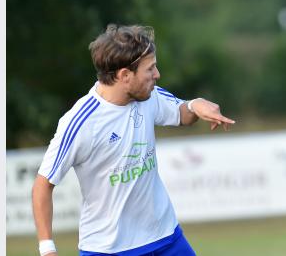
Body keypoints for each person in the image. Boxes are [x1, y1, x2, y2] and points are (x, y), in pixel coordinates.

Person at [31, 24, 236, 256]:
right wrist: (47, 249)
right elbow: (42, 186)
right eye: (150, 69)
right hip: (109, 249)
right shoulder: (80, 123)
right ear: (125, 75)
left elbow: (181, 114)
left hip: (166, 238)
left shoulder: (148, 96)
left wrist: (194, 104)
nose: (157, 75)